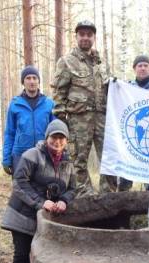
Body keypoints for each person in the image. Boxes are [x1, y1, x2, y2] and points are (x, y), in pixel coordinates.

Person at [1, 119, 76, 263]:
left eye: (61, 138)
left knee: (38, 252)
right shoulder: (32, 155)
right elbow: (19, 183)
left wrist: (64, 201)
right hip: (22, 213)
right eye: (54, 137)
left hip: (45, 217)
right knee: (22, 251)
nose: (57, 142)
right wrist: (41, 203)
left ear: (66, 141)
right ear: (47, 137)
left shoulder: (68, 163)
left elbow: (73, 188)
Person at [51, 20, 114, 195]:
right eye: (82, 34)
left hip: (102, 119)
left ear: (94, 37)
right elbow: (58, 91)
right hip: (78, 120)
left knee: (109, 158)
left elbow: (110, 90)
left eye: (89, 35)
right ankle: (85, 195)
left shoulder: (101, 64)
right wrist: (62, 119)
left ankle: (108, 195)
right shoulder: (67, 62)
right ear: (76, 37)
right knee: (78, 160)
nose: (85, 38)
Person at [118, 54, 149, 192]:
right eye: (140, 65)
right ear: (134, 69)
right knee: (126, 172)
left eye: (146, 65)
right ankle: (122, 200)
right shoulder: (126, 87)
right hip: (131, 134)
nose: (143, 68)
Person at [2, 66, 55, 176]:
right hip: (20, 155)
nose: (32, 81)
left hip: (43, 154)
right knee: (21, 186)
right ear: (23, 82)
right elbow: (9, 133)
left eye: (35, 78)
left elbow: (55, 133)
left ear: (38, 81)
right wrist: (6, 158)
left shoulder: (48, 104)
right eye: (28, 78)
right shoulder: (15, 104)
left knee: (43, 186)